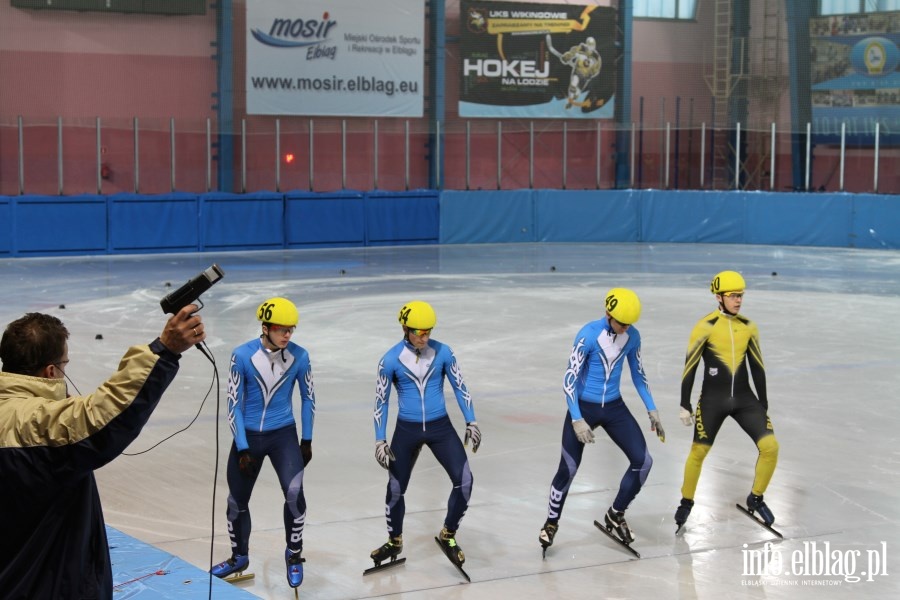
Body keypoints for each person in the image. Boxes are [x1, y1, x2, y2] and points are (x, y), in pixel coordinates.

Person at [0, 306, 205, 599]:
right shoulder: (40, 423)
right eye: (64, 364)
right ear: (51, 371)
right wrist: (164, 350)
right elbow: (104, 414)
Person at [539, 288, 664, 552]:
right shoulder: (588, 335)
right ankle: (551, 522)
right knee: (569, 469)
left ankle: (616, 513)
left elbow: (638, 374)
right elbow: (569, 380)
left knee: (644, 462)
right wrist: (576, 418)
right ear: (608, 314)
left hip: (614, 406)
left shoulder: (632, 336)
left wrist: (652, 409)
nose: (624, 328)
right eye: (620, 323)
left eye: (629, 324)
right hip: (584, 407)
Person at [210, 297, 316, 589]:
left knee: (295, 495)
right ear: (266, 327)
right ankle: (238, 557)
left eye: (292, 330)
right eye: (283, 329)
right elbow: (234, 405)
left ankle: (293, 554)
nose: (288, 335)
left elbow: (308, 399)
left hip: (283, 435)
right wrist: (242, 447)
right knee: (236, 502)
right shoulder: (241, 356)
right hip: (249, 437)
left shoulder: (300, 356)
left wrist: (306, 439)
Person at [369, 301, 481, 570]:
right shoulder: (390, 360)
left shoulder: (443, 352)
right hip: (406, 429)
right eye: (419, 332)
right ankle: (395, 540)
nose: (424, 337)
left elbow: (460, 386)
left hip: (440, 427)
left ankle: (449, 534)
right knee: (395, 488)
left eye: (428, 332)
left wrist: (471, 421)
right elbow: (381, 401)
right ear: (405, 329)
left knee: (464, 481)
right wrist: (380, 439)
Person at [674, 271, 779, 530]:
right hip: (713, 400)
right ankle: (686, 502)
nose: (738, 300)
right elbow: (691, 366)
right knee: (698, 452)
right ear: (719, 297)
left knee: (771, 447)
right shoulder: (705, 326)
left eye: (741, 295)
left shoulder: (748, 327)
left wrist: (763, 403)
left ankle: (755, 498)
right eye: (733, 296)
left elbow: (757, 366)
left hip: (745, 399)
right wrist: (684, 403)